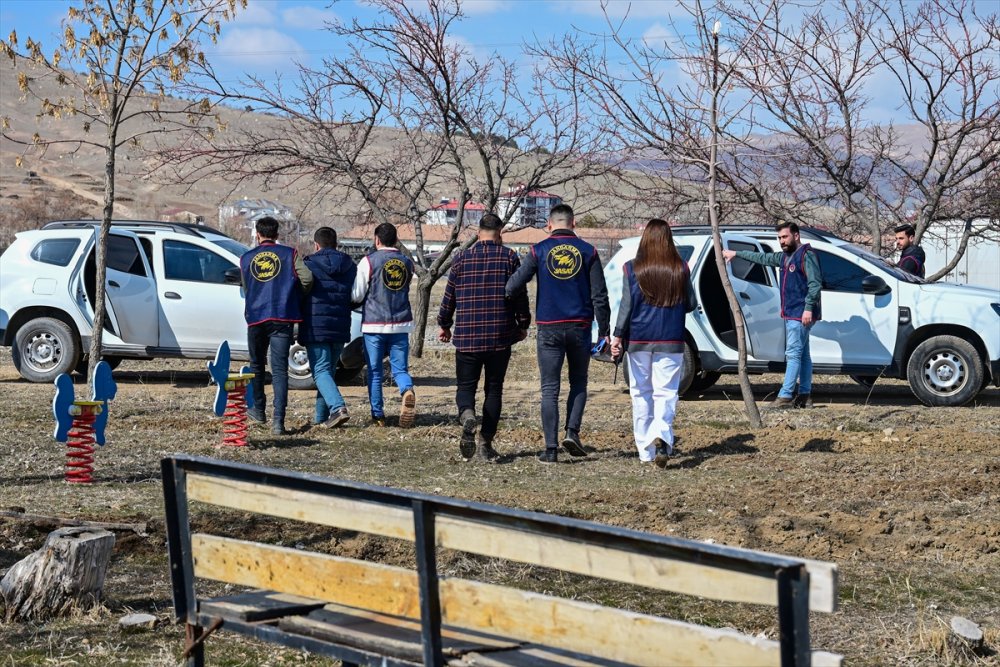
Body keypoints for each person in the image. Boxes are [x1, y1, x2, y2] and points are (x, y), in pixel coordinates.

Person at [506, 203, 611, 463]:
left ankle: (550, 450)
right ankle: (572, 433)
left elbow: (512, 286)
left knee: (550, 388)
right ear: (573, 224)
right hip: (580, 327)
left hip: (549, 327)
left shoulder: (538, 250)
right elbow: (600, 295)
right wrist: (604, 332)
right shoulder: (589, 251)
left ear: (549, 225)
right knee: (579, 382)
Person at [437, 213, 531, 462]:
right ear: (499, 233)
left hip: (467, 336)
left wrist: (445, 325)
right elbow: (519, 294)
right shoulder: (510, 258)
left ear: (479, 234)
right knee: (494, 389)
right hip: (499, 336)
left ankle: (467, 413)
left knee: (466, 386)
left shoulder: (461, 258)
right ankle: (485, 443)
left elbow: (449, 297)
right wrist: (523, 324)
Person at [610, 219, 696, 468]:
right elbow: (690, 304)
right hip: (671, 338)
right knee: (666, 392)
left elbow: (626, 308)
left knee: (641, 393)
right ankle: (663, 434)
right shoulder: (680, 268)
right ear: (668, 239)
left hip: (638, 339)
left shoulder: (631, 268)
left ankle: (645, 451)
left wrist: (617, 336)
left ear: (645, 238)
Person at [722, 221, 822, 409]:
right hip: (793, 313)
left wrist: (808, 308)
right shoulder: (785, 257)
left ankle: (785, 396)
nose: (781, 241)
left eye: (785, 237)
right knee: (803, 355)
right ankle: (804, 396)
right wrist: (735, 254)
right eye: (779, 238)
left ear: (796, 235)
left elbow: (815, 284)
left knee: (793, 354)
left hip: (799, 314)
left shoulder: (806, 255)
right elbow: (761, 258)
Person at [240, 216, 313, 435]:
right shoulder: (289, 254)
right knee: (280, 370)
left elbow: (245, 286)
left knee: (256, 365)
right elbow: (307, 278)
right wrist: (294, 296)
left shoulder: (246, 258)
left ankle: (258, 410)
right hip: (283, 317)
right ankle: (278, 421)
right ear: (277, 234)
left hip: (256, 317)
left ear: (257, 233)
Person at [351, 222, 417, 427]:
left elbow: (357, 293)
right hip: (401, 323)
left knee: (375, 370)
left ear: (376, 240)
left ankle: (378, 415)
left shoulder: (368, 261)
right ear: (396, 240)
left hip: (374, 324)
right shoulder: (407, 262)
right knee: (399, 369)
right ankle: (407, 390)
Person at [300, 226, 358, 429]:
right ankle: (321, 417)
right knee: (328, 372)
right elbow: (356, 294)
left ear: (316, 245)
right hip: (340, 324)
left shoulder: (308, 264)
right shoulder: (350, 265)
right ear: (336, 243)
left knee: (320, 371)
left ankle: (338, 407)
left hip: (316, 325)